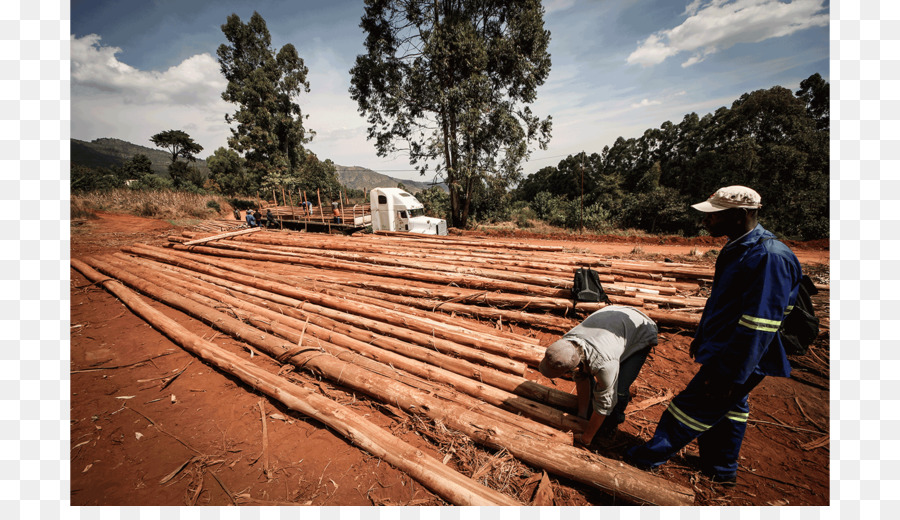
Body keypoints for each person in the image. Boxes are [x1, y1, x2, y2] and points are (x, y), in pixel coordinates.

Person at [624, 185, 803, 484]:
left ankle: (647, 458)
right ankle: (721, 469)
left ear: (740, 215)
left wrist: (730, 374)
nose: (706, 222)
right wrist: (703, 337)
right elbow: (721, 302)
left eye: (714, 216)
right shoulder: (738, 246)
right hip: (726, 347)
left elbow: (759, 325)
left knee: (690, 407)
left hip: (743, 356)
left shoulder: (769, 257)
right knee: (731, 407)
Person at [539, 305, 658, 446]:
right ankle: (590, 415)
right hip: (614, 320)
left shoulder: (604, 363)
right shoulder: (566, 342)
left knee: (618, 390)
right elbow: (580, 375)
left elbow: (605, 402)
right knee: (592, 374)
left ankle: (611, 425)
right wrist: (581, 415)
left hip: (641, 329)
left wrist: (586, 438)